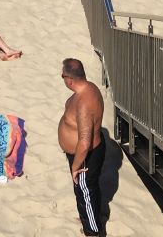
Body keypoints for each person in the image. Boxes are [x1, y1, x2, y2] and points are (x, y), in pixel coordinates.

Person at [58, 58, 105, 237]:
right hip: (84, 153)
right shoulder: (89, 87)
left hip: (85, 156)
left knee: (85, 191)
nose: (62, 78)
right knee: (88, 190)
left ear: (69, 79)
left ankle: (92, 231)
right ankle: (90, 217)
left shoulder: (84, 102)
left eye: (62, 75)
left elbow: (84, 142)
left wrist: (75, 167)